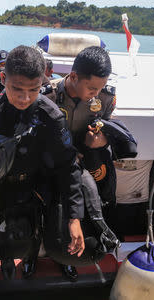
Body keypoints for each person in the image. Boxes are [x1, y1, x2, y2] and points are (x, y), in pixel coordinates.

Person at [0, 45, 85, 285]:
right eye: (16, 89)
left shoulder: (50, 117)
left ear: (42, 82)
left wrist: (74, 217)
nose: (24, 97)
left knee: (24, 232)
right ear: (3, 79)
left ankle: (27, 257)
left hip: (28, 184)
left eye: (33, 90)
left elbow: (67, 166)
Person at [44, 46, 117, 281]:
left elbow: (108, 129)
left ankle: (68, 258)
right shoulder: (48, 95)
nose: (95, 94)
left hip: (83, 163)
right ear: (73, 77)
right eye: (92, 88)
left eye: (99, 88)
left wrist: (101, 141)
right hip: (51, 162)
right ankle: (31, 257)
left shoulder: (105, 97)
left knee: (77, 211)